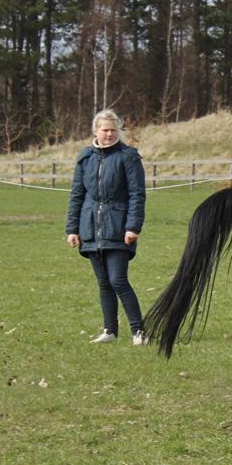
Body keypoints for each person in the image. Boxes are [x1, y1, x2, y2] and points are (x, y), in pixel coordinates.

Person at [65, 108, 148, 345]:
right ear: (95, 131)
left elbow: (137, 195)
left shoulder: (128, 156)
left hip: (118, 228)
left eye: (113, 130)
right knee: (103, 283)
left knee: (118, 280)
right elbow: (76, 195)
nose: (109, 134)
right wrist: (72, 229)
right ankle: (109, 331)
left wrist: (133, 226)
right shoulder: (85, 158)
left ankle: (139, 331)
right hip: (90, 228)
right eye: (105, 130)